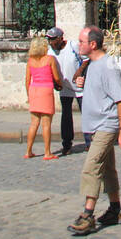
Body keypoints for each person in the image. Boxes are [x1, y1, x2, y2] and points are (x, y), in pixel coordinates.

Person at [68, 26, 121, 236]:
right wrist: (81, 81)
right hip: (94, 126)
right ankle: (115, 209)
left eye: (82, 42)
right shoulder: (91, 64)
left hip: (106, 124)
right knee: (107, 169)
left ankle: (87, 215)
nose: (78, 45)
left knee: (92, 166)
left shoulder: (107, 66)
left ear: (93, 44)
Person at [23, 34, 63, 160]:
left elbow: (27, 80)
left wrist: (29, 95)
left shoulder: (30, 61)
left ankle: (28, 151)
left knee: (34, 123)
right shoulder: (49, 59)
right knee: (46, 124)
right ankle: (47, 152)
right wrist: (61, 84)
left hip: (34, 90)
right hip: (46, 90)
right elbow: (56, 77)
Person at [49, 27, 82, 156]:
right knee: (66, 116)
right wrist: (55, 83)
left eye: (53, 39)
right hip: (64, 87)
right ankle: (67, 144)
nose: (51, 42)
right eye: (49, 39)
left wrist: (79, 73)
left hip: (80, 87)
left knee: (86, 113)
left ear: (60, 38)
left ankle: (89, 141)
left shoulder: (73, 46)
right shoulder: (50, 52)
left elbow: (85, 59)